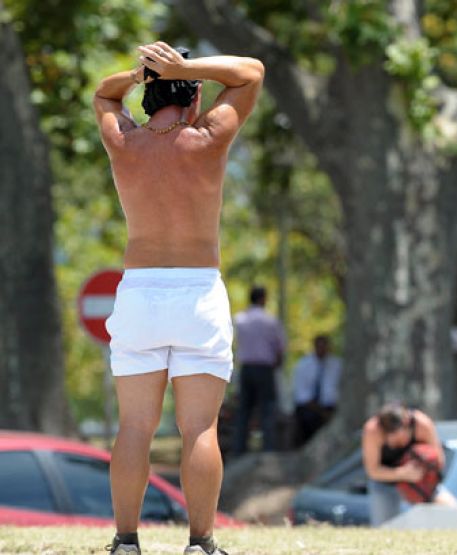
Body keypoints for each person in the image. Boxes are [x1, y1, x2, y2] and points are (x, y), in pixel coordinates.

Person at [94, 42, 263, 555]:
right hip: (197, 293)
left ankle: (126, 542)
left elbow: (103, 95)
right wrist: (184, 68)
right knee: (199, 429)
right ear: (194, 97)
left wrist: (142, 73)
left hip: (141, 293)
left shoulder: (124, 141)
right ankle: (201, 542)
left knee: (135, 428)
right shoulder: (209, 136)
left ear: (147, 95)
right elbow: (251, 73)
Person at [361, 403, 456, 526]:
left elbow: (439, 459)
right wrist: (403, 474)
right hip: (386, 482)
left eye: (400, 438)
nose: (398, 444)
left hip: (421, 481)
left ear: (407, 424)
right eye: (393, 440)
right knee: (384, 528)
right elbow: (372, 471)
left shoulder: (422, 424)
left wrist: (424, 466)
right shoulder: (372, 430)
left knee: (451, 511)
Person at [232, 285, 286, 454]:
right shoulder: (271, 321)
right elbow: (280, 348)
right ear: (263, 298)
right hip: (265, 369)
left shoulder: (240, 319)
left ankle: (239, 449)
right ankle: (268, 448)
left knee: (244, 410)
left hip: (246, 369)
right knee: (267, 410)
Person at [291, 334, 342, 446]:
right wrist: (322, 412)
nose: (322, 349)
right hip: (309, 407)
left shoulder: (337, 365)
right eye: (319, 346)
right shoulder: (303, 365)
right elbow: (302, 396)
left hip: (331, 406)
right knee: (307, 418)